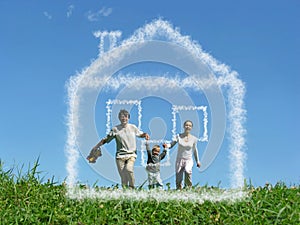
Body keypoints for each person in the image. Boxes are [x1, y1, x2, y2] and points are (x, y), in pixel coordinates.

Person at [88, 109, 150, 188]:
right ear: (119, 118)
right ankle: (125, 193)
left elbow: (140, 134)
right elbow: (106, 139)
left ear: (128, 118)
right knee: (123, 178)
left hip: (131, 154)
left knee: (129, 170)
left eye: (126, 117)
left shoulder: (133, 127)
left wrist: (145, 135)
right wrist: (96, 146)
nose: (124, 118)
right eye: (122, 117)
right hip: (119, 156)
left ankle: (132, 190)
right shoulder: (115, 129)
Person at [164, 120, 201, 190]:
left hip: (188, 159)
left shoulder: (194, 139)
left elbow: (195, 150)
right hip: (179, 159)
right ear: (184, 126)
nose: (188, 127)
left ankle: (188, 188)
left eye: (190, 126)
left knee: (188, 171)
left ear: (191, 128)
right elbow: (172, 144)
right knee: (178, 177)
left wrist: (198, 161)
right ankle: (179, 190)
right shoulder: (179, 136)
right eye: (186, 125)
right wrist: (167, 146)